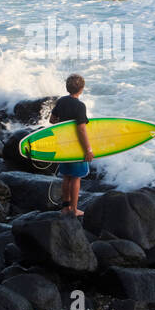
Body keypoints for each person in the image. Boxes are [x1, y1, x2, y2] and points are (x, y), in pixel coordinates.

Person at [50, 73, 94, 217]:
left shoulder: (61, 101)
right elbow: (81, 129)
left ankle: (65, 207)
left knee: (66, 176)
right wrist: (88, 149)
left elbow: (52, 120)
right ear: (81, 89)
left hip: (63, 144)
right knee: (75, 178)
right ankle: (74, 210)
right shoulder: (80, 106)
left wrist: (64, 129)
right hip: (75, 146)